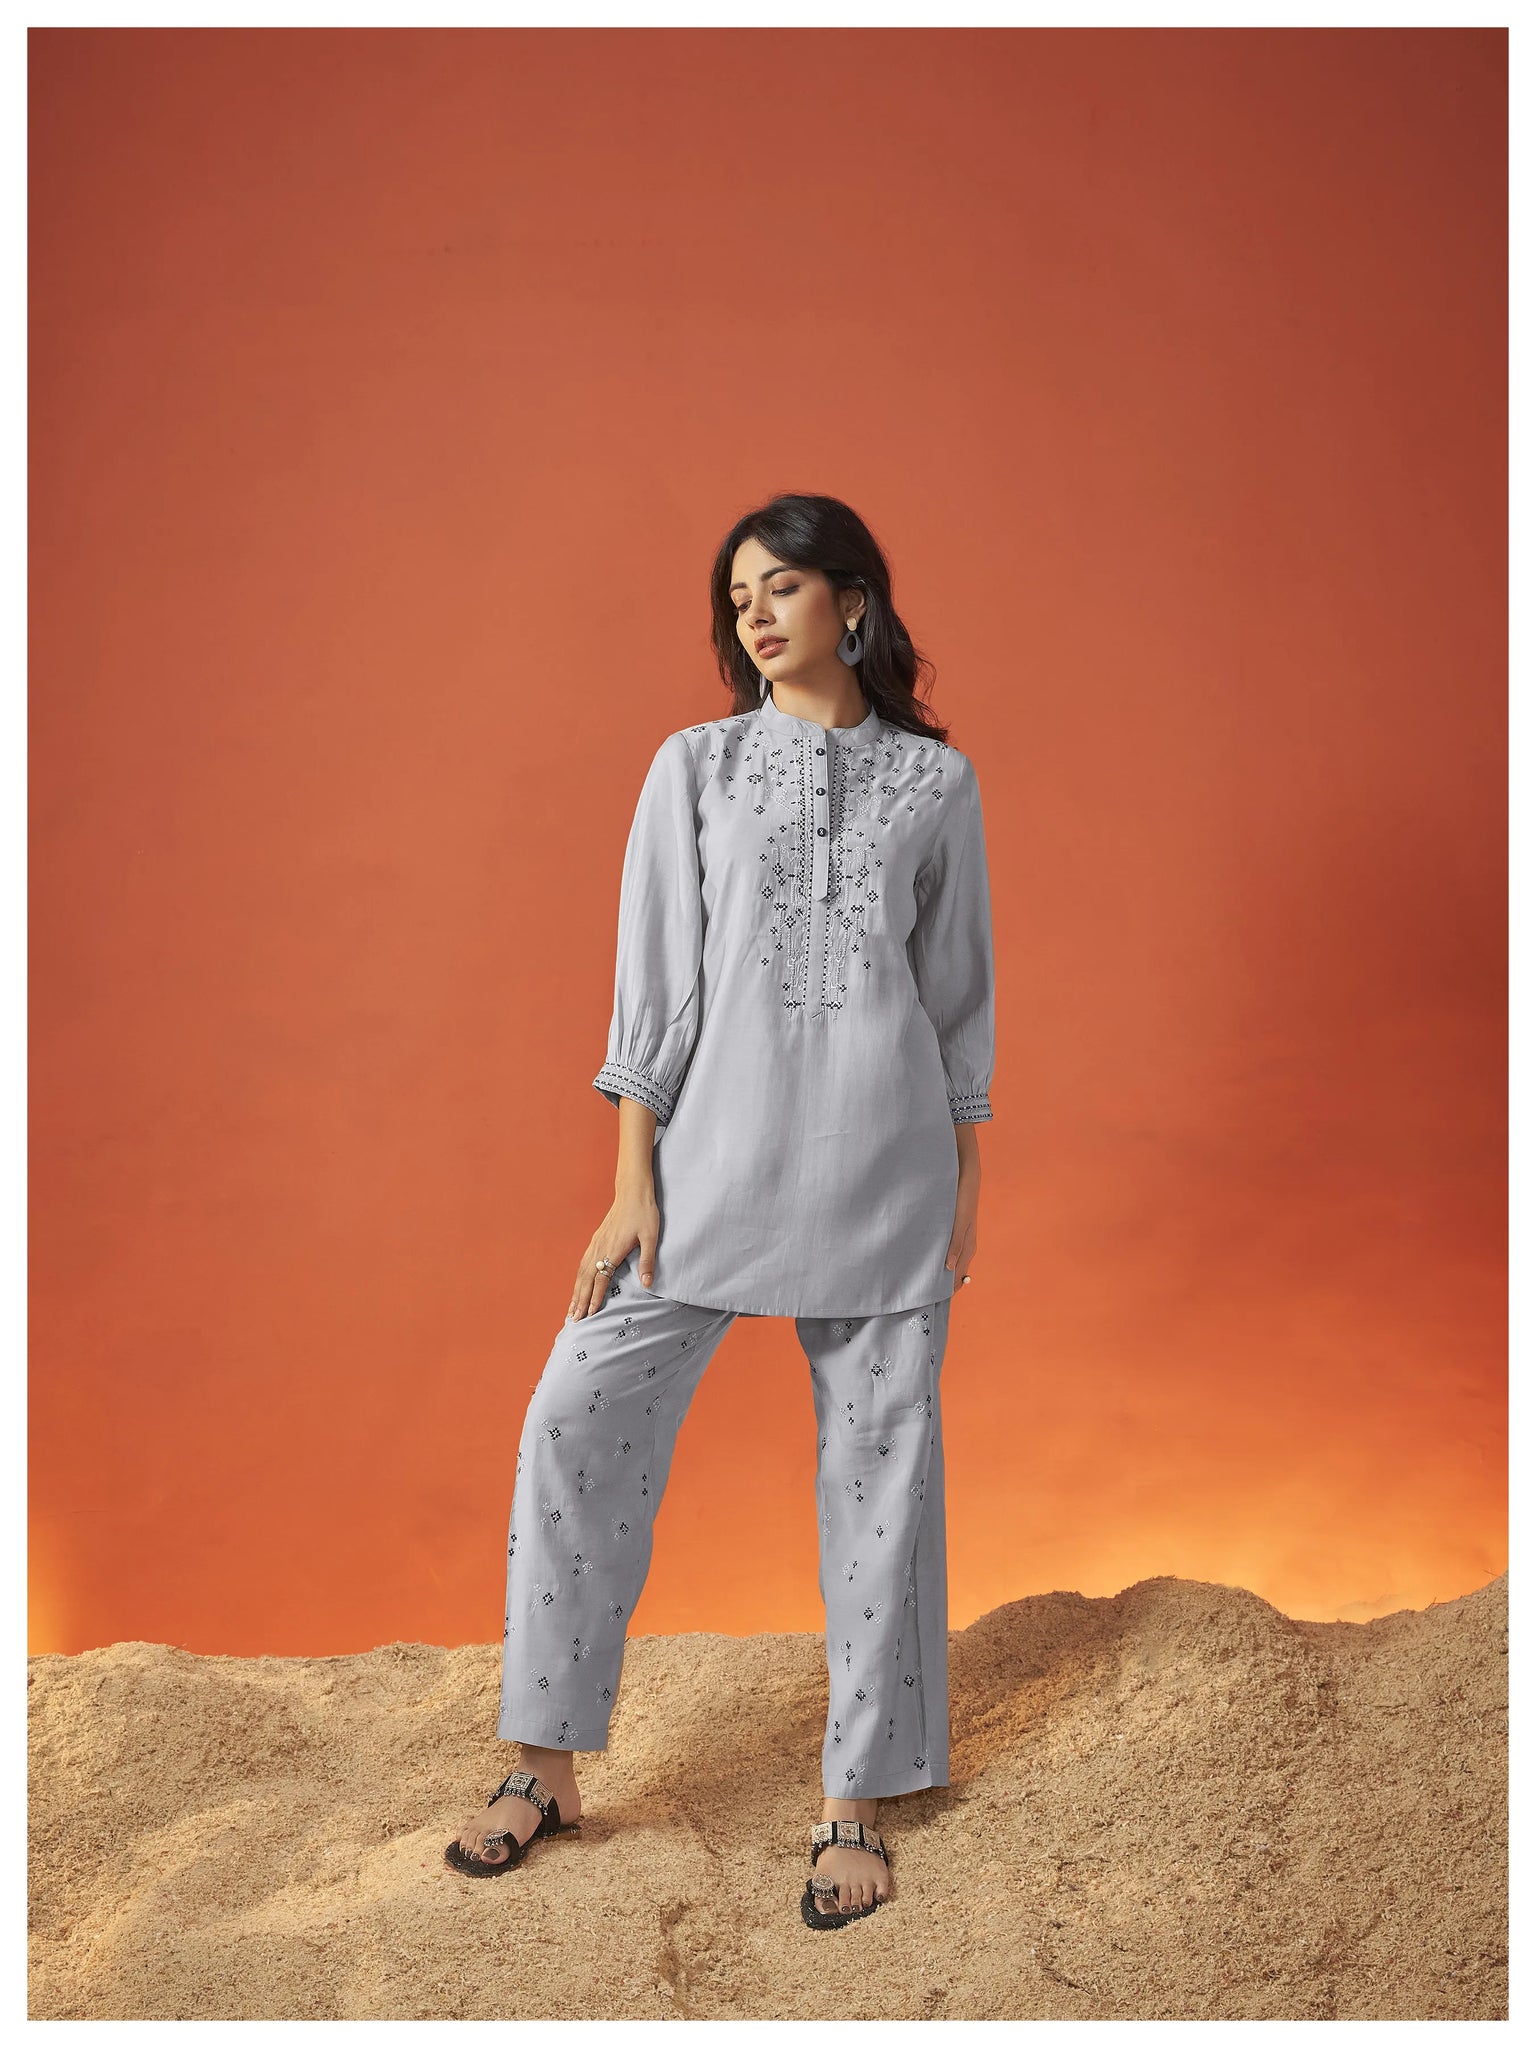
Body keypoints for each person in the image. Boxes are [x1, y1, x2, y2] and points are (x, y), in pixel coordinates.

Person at [446, 492, 996, 1930]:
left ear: (853, 602)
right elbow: (657, 985)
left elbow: (956, 999)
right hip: (710, 1171)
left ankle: (855, 1799)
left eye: (784, 586)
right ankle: (545, 1766)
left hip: (889, 1175)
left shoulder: (936, 785)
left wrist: (968, 1182)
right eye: (738, 594)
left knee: (883, 1478)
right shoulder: (696, 766)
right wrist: (632, 1183)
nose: (756, 612)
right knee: (575, 1418)